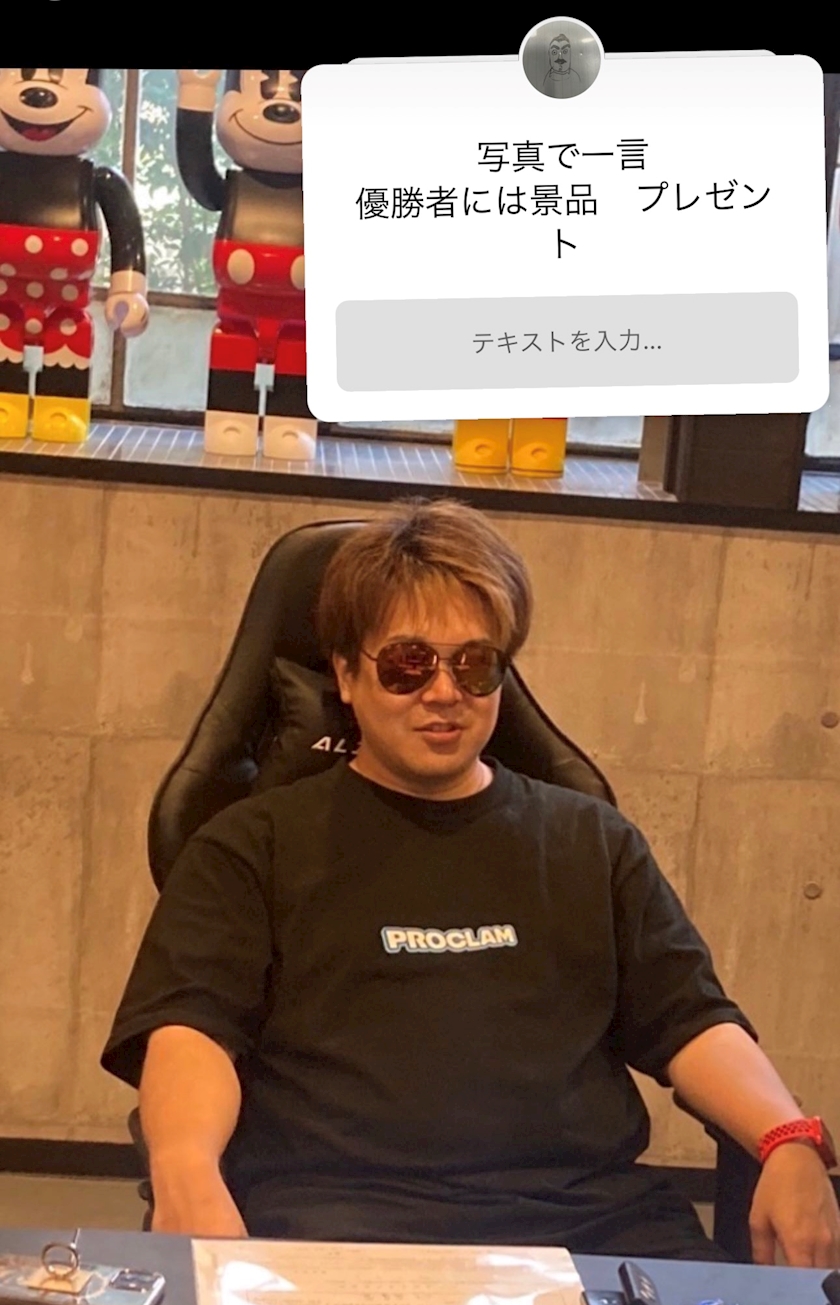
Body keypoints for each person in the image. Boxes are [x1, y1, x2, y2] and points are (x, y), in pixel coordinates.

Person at [101, 500, 840, 1266]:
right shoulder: (249, 846)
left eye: (474, 664)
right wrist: (185, 1167)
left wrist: (787, 1137)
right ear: (346, 674)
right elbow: (191, 1030)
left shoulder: (593, 842)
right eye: (408, 663)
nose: (444, 691)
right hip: (337, 1227)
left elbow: (692, 1020)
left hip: (588, 1228)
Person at [543, 34, 582, 99]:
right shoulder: (546, 80)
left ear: (570, 54)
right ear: (549, 54)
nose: (560, 57)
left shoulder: (576, 77)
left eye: (565, 51)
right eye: (554, 52)